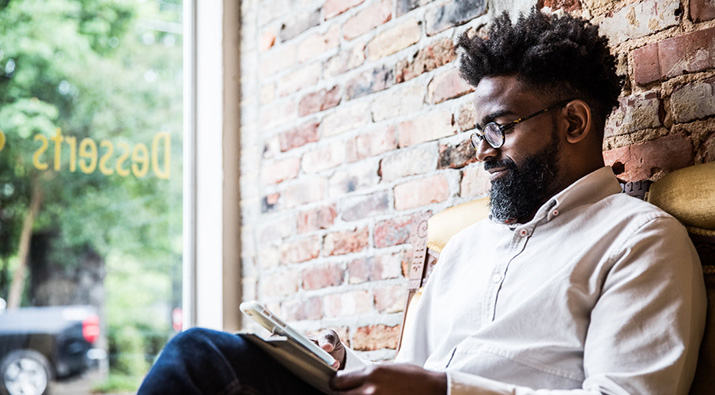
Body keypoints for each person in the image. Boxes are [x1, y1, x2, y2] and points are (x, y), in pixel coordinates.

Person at [138, 8, 706, 395]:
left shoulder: (640, 241)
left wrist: (444, 390)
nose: (483, 153)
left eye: (499, 129)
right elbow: (413, 373)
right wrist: (347, 367)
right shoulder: (467, 247)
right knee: (202, 358)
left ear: (575, 122)